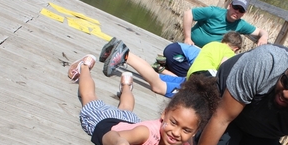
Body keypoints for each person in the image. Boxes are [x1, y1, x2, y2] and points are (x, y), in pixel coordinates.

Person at [67, 54, 220, 145]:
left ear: (195, 132)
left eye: (186, 130)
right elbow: (109, 137)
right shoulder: (145, 133)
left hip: (129, 123)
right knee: (89, 97)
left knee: (126, 109)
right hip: (105, 123)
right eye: (173, 122)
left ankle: (126, 85)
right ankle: (85, 67)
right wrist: (119, 142)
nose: (176, 132)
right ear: (164, 114)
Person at [100, 32, 243, 98]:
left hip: (192, 75)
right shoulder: (230, 53)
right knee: (158, 86)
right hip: (203, 79)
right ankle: (125, 55)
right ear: (236, 48)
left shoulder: (213, 44)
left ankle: (119, 51)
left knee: (157, 77)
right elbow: (225, 66)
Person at [183, 0, 269, 48]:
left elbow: (261, 31)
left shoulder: (240, 24)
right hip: (192, 46)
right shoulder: (214, 12)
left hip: (209, 55)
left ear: (244, 13)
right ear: (230, 6)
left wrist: (264, 37)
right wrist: (187, 38)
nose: (237, 11)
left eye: (241, 10)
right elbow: (188, 14)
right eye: (236, 7)